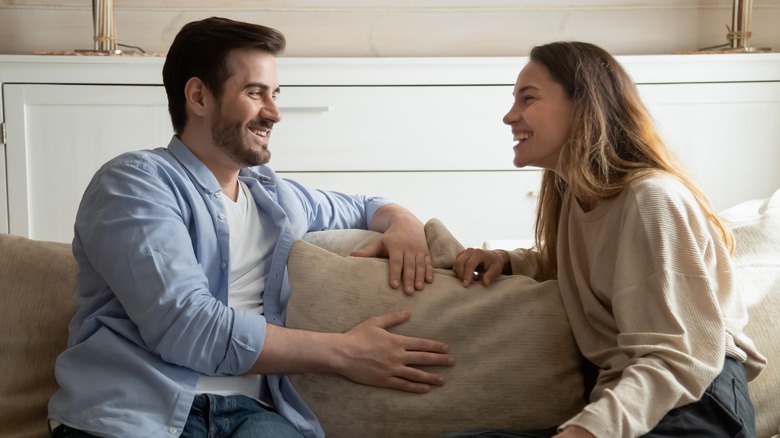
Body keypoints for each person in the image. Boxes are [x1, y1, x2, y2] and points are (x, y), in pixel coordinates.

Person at [47, 16, 454, 438]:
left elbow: (368, 205)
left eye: (275, 94)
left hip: (251, 415)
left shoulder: (275, 198)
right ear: (199, 96)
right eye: (255, 92)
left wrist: (404, 222)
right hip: (134, 413)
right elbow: (187, 327)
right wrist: (343, 352)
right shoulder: (135, 182)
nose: (274, 112)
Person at [449, 41, 766, 438]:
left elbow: (677, 358)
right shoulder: (575, 201)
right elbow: (594, 264)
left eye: (527, 99)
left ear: (583, 104)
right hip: (635, 402)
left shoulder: (652, 199)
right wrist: (509, 260)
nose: (509, 117)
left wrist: (587, 432)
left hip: (694, 404)